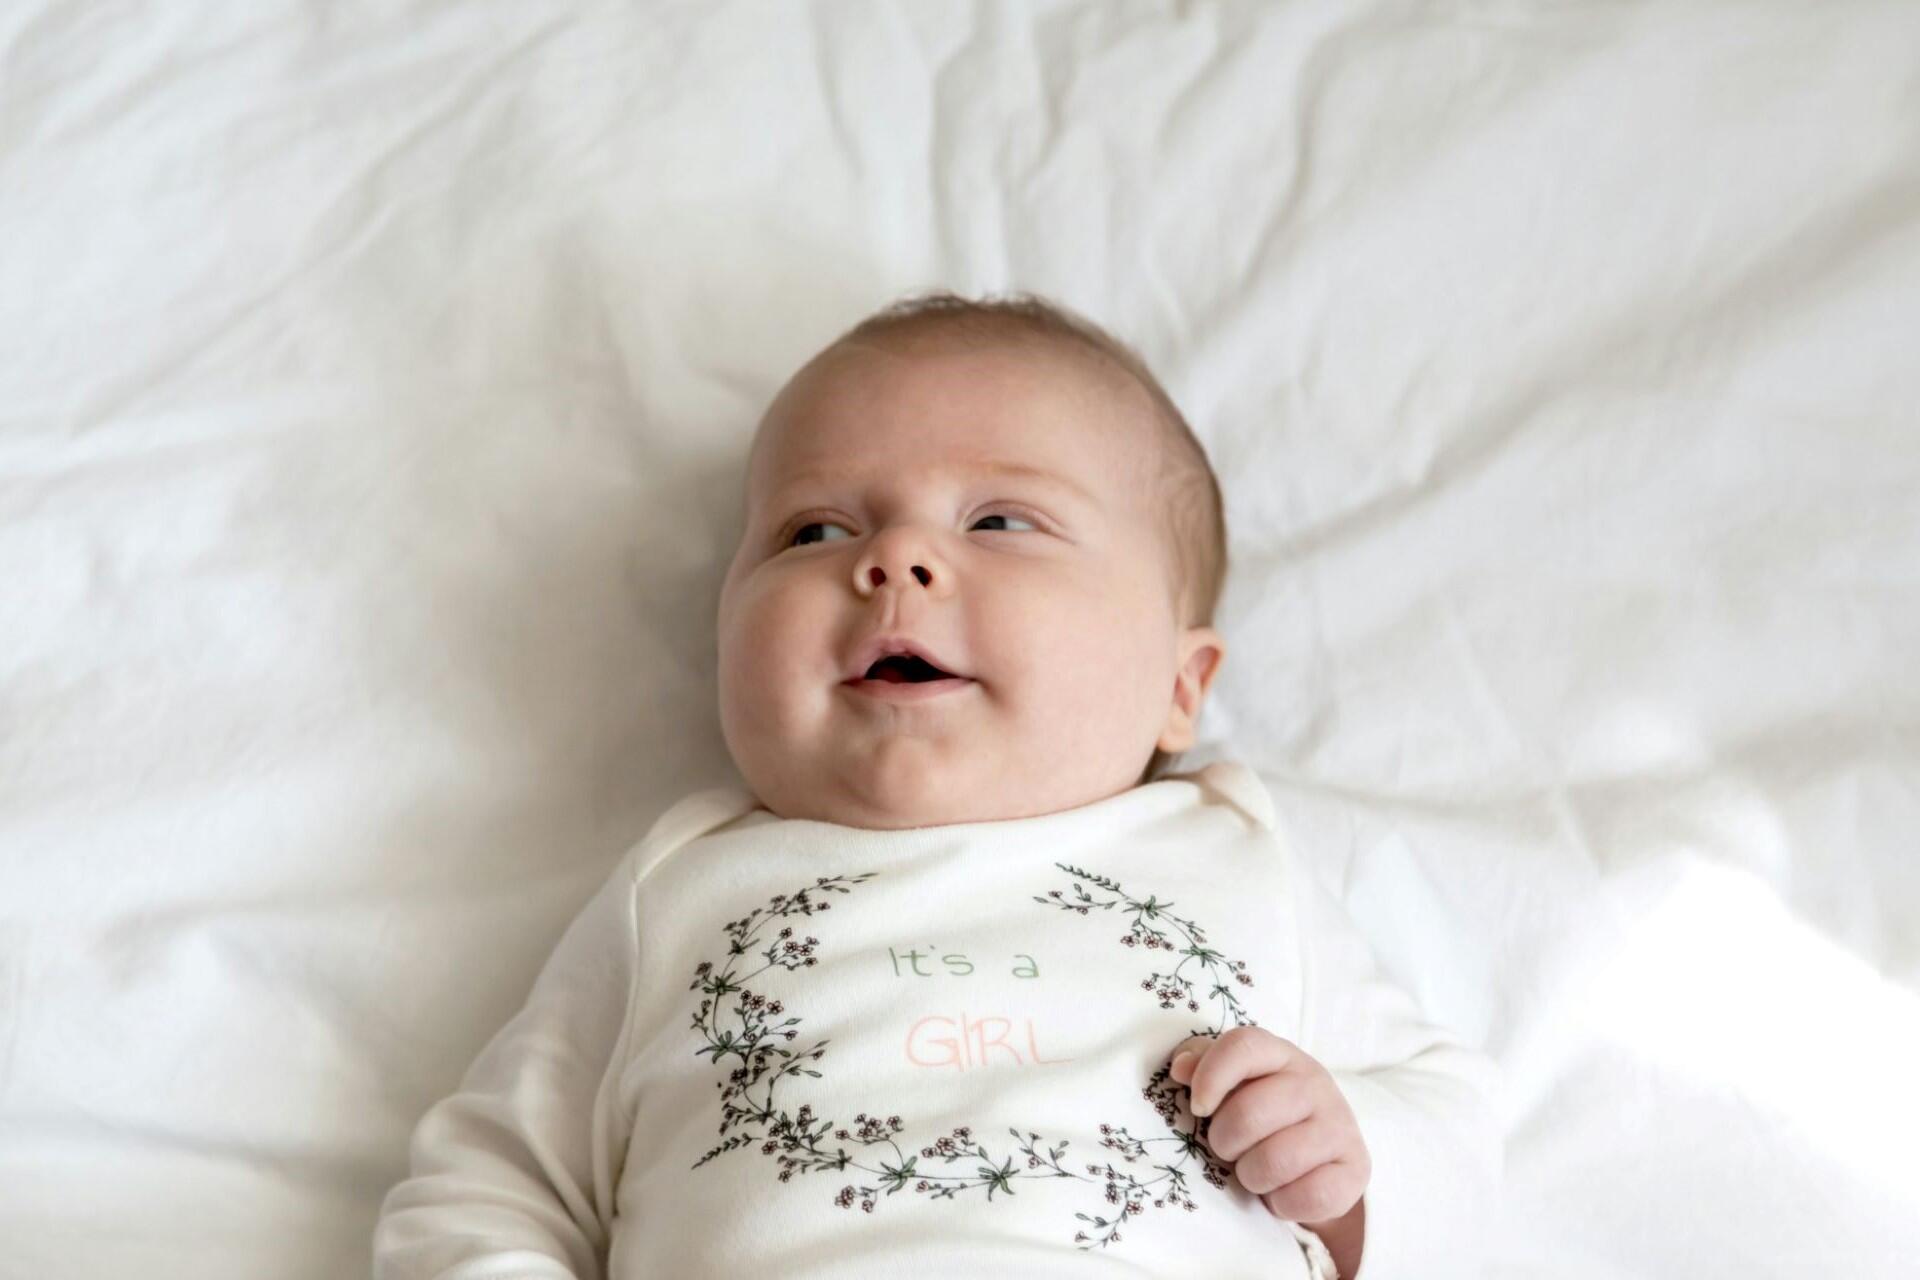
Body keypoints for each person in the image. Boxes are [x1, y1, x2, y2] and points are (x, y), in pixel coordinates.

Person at [373, 291, 1499, 1279]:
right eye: (815, 528)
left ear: (1180, 683)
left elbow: (1462, 1141)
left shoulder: (1231, 857)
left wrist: (1348, 1168)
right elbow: (491, 1182)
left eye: (1001, 520)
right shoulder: (682, 889)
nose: (895, 558)